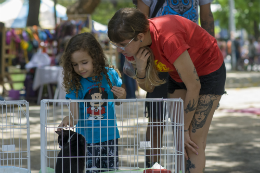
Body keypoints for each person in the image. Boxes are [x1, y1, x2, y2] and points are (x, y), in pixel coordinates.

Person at [108, 8, 226, 173]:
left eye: (121, 45)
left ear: (140, 37)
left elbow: (194, 86)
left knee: (193, 140)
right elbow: (148, 88)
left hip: (208, 70)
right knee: (180, 139)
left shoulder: (168, 38)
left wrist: (185, 129)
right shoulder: (132, 46)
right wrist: (140, 70)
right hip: (178, 73)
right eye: (115, 44)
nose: (119, 49)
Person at [134, 0, 215, 167]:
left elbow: (206, 17)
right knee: (156, 120)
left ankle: (184, 168)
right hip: (158, 58)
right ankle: (152, 167)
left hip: (189, 59)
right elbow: (139, 21)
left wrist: (208, 54)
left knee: (186, 123)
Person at [57, 32, 126, 173]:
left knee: (111, 170)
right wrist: (69, 118)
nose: (80, 68)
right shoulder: (75, 82)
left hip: (110, 136)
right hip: (86, 140)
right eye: (75, 65)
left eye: (84, 63)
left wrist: (122, 95)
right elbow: (74, 116)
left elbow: (118, 101)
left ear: (95, 57)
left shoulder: (110, 75)